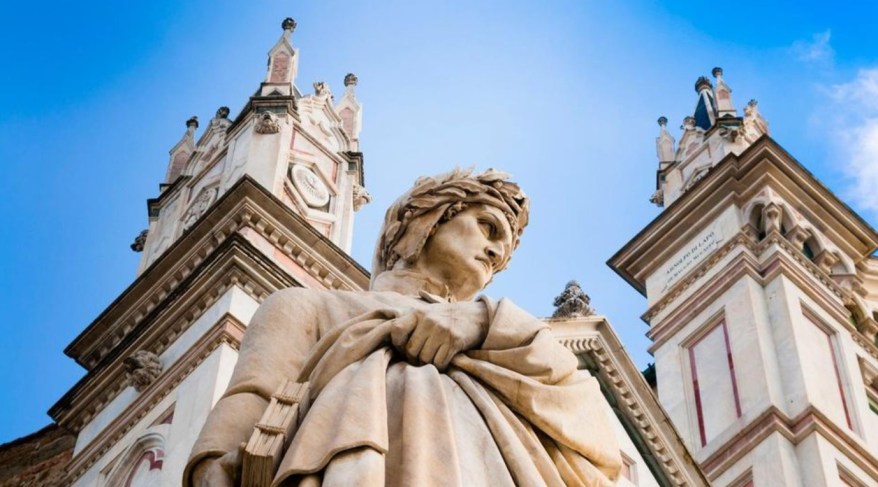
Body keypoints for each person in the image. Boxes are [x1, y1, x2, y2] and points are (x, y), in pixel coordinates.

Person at [185, 168, 621, 486]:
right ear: (424, 218)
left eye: (502, 255)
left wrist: (481, 321)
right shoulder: (307, 306)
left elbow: (594, 435)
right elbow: (252, 397)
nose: (493, 252)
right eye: (487, 227)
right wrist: (212, 464)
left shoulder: (502, 344)